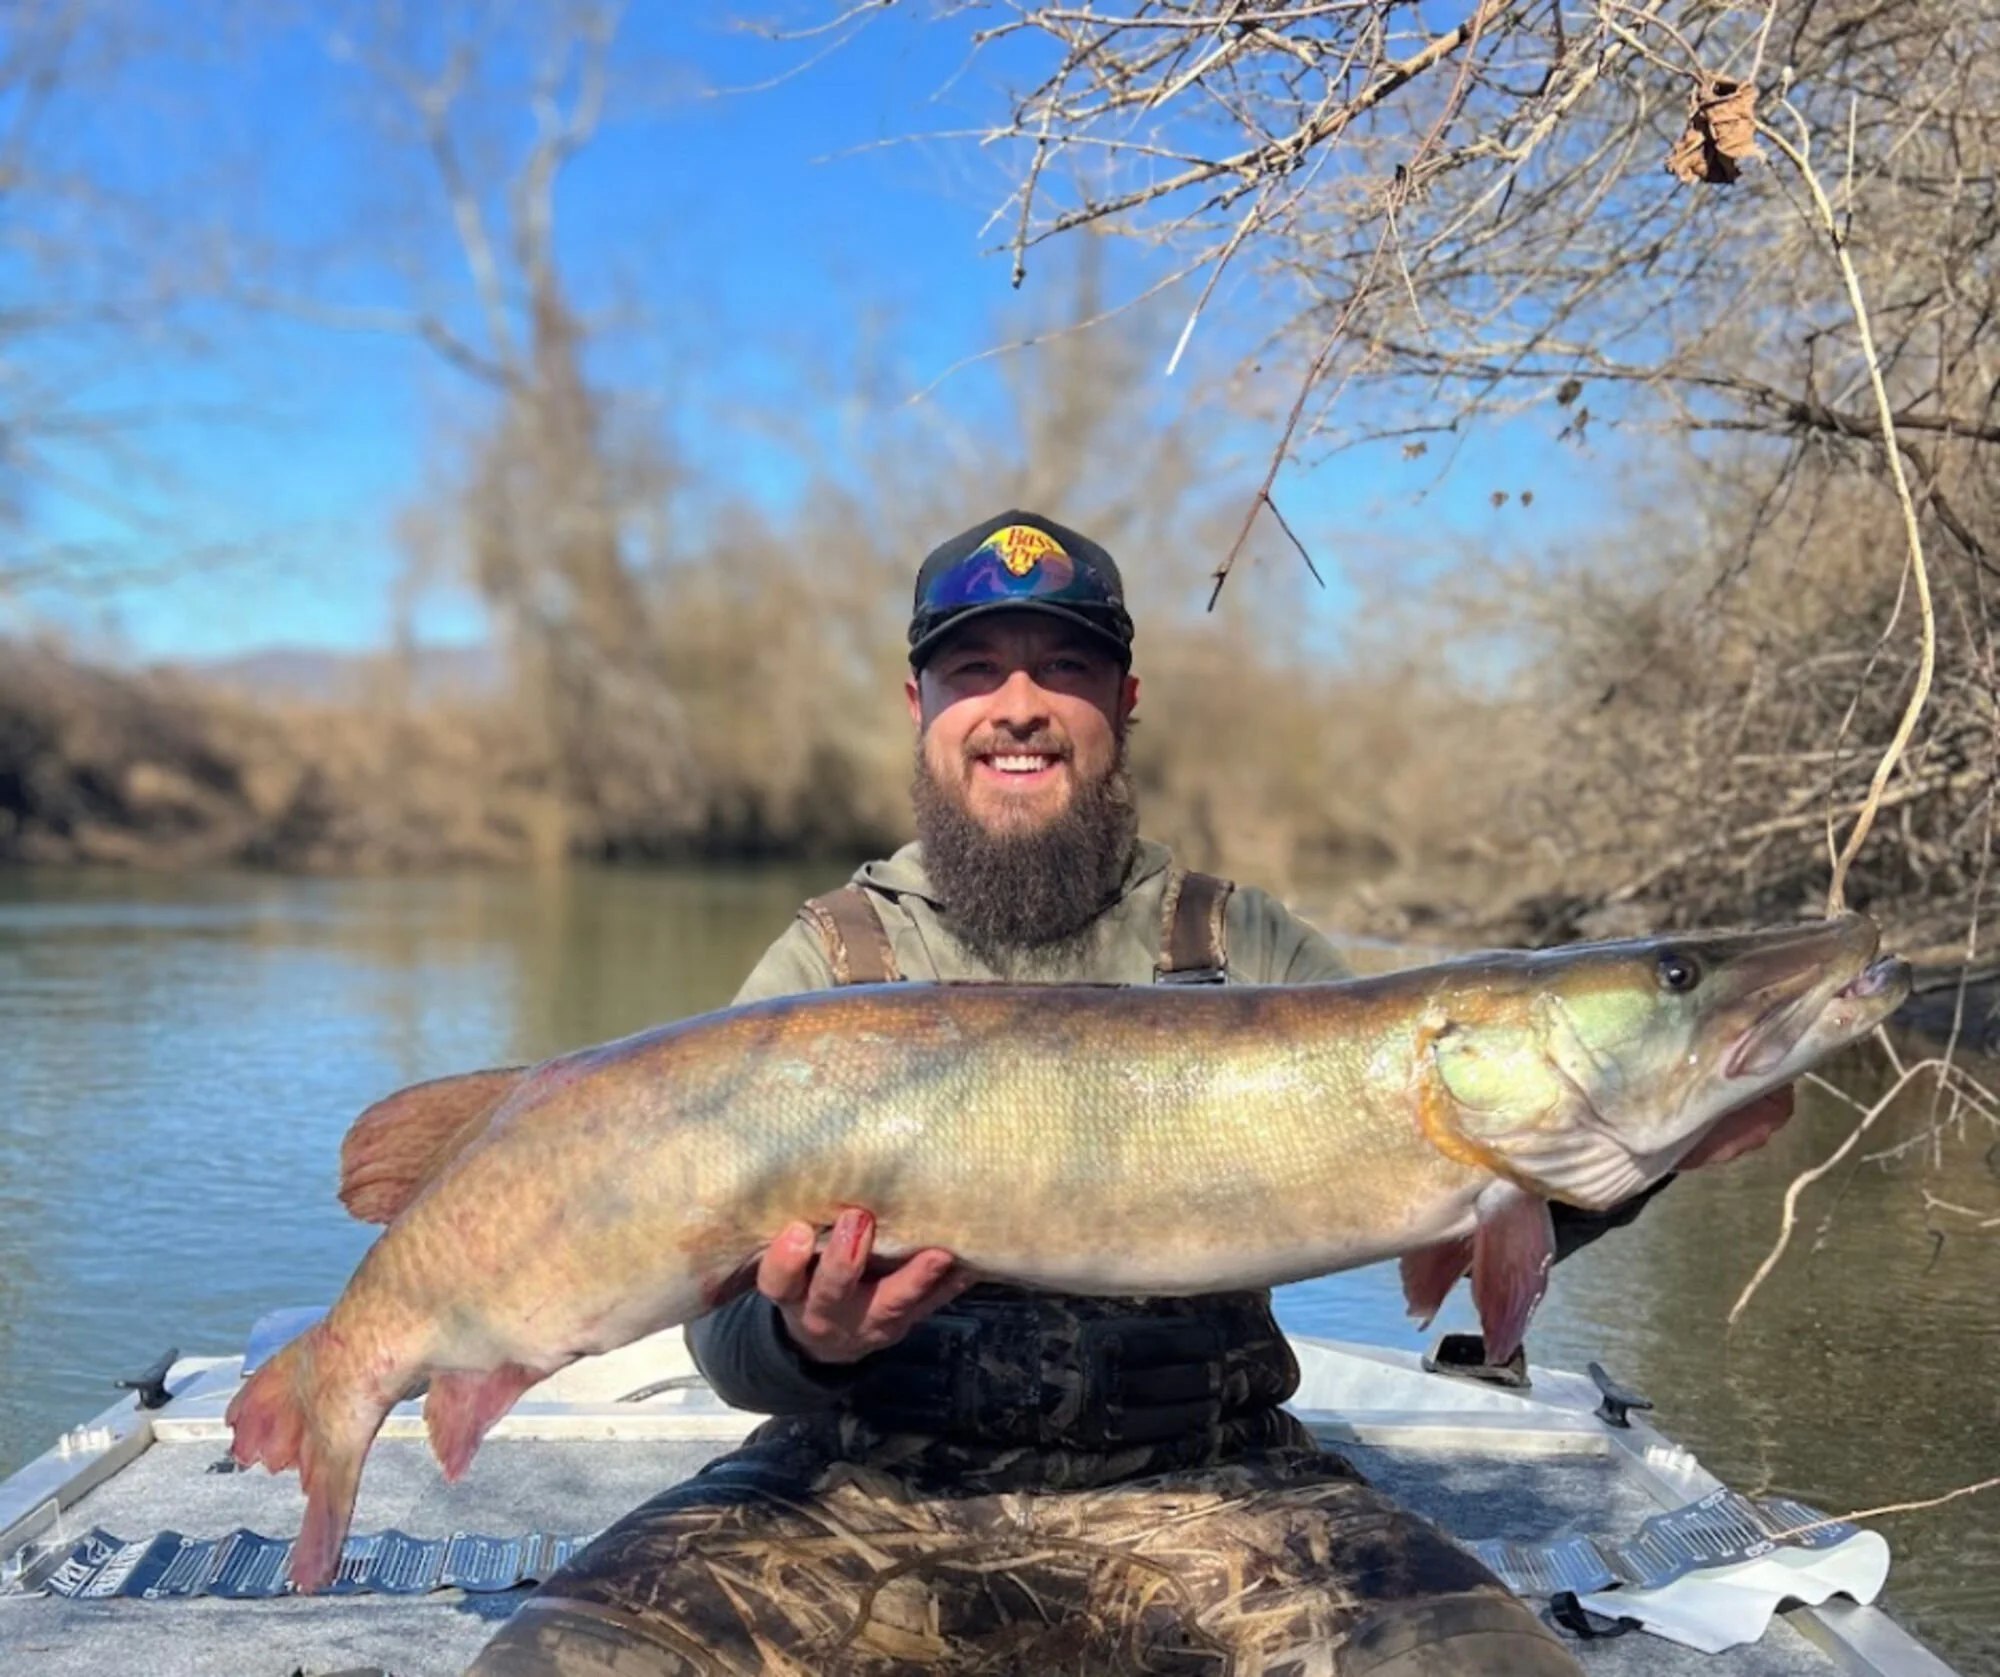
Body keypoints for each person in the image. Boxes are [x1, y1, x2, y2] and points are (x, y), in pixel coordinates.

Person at [468, 510, 1794, 1676]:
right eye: (974, 671)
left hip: (1215, 1489)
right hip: (858, 1493)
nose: (1020, 704)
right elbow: (723, 1344)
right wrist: (811, 1342)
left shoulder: (1248, 949)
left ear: (1126, 699)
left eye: (1067, 669)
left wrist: (1654, 1137)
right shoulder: (826, 968)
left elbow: (1466, 1193)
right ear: (920, 708)